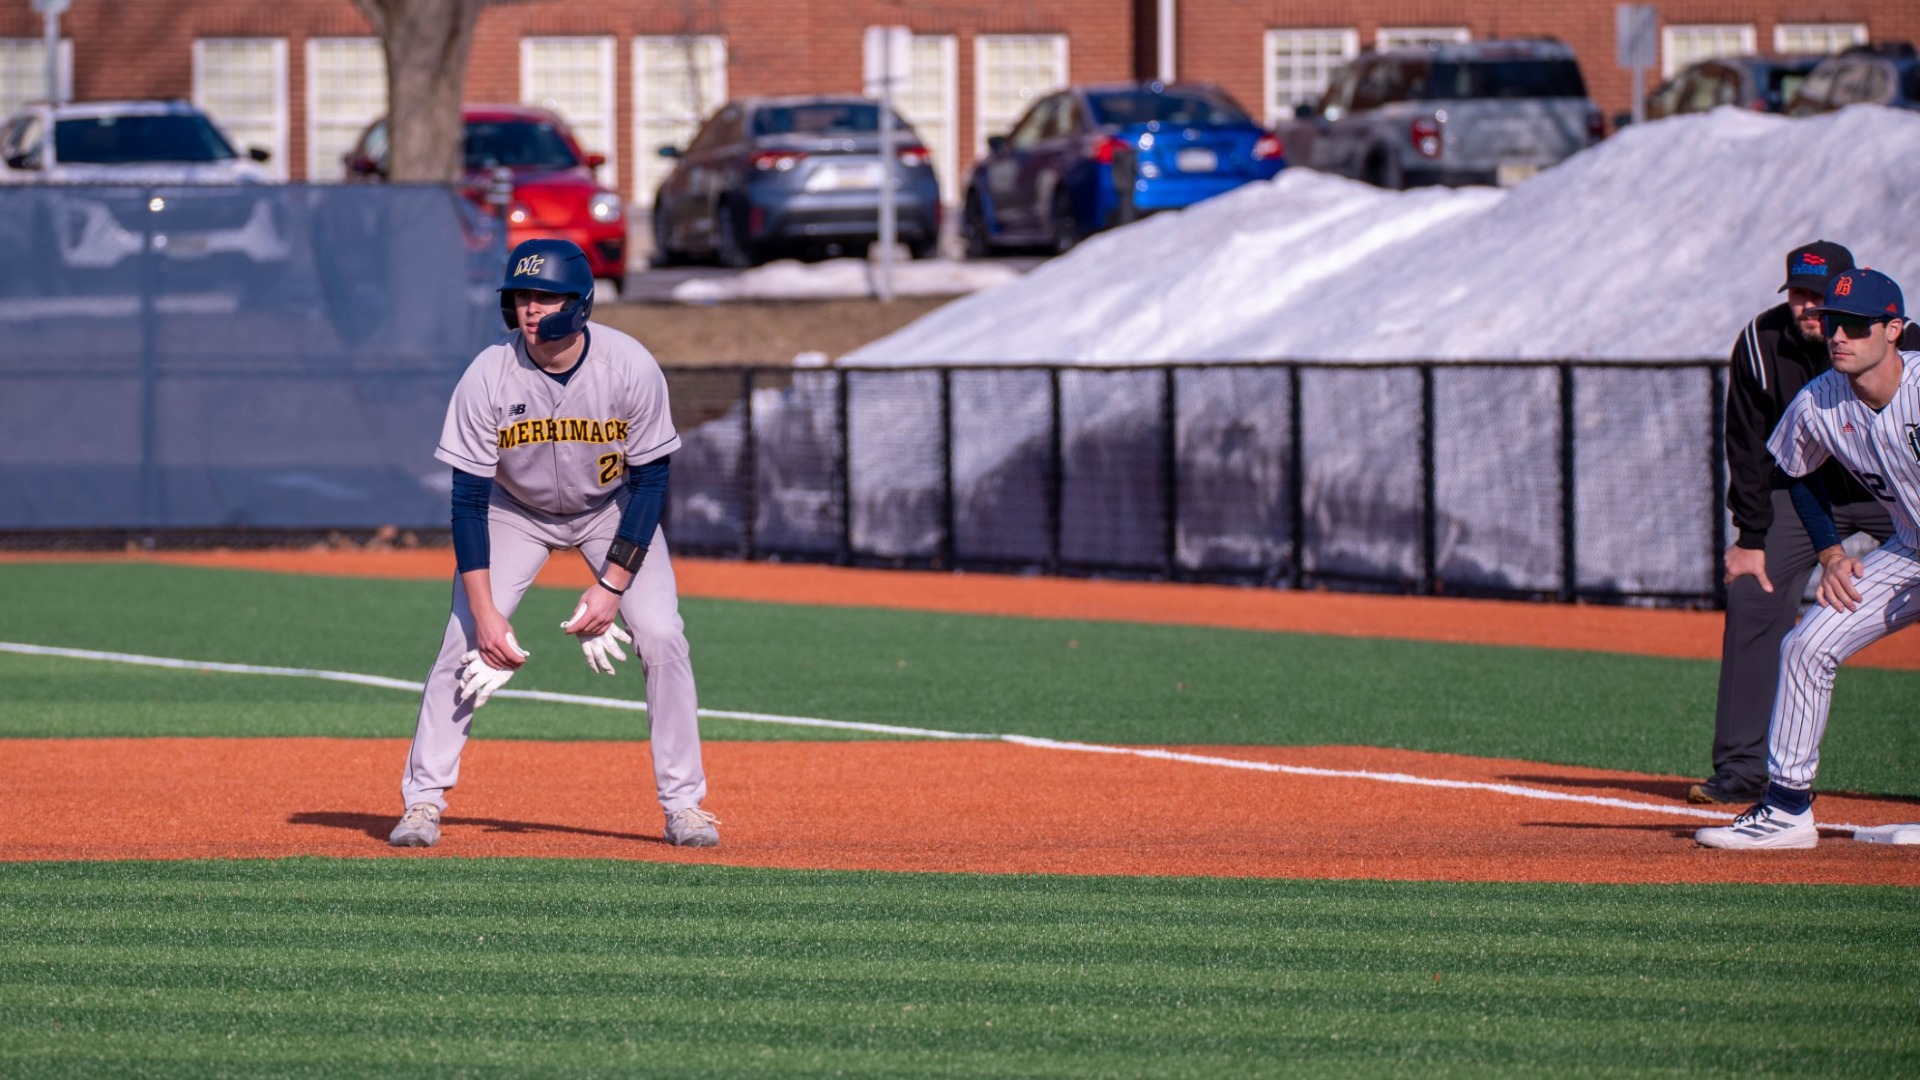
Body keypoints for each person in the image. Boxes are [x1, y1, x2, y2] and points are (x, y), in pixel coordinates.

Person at [388, 238, 719, 849]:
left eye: (545, 296)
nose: (531, 308)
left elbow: (650, 485)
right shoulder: (489, 373)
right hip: (515, 512)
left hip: (611, 511)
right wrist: (487, 618)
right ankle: (423, 801)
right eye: (521, 296)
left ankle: (685, 805)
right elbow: (466, 503)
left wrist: (611, 586)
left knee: (664, 635)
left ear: (581, 302)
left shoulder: (629, 367)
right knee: (460, 642)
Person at [1697, 267, 1920, 849]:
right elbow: (1795, 473)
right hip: (1912, 552)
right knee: (1805, 645)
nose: (1837, 334)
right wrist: (1830, 550)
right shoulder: (1818, 402)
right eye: (1830, 323)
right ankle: (1787, 809)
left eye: (1854, 324)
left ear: (1893, 329)